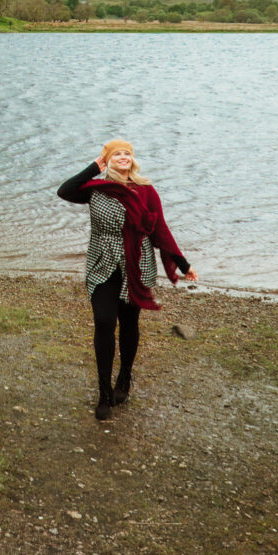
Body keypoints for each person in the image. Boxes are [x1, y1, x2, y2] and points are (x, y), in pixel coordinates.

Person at [58, 139, 198, 420]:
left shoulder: (146, 191)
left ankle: (124, 377)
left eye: (127, 154)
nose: (123, 157)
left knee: (129, 323)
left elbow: (160, 230)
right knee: (104, 322)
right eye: (116, 154)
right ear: (107, 162)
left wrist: (182, 264)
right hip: (102, 263)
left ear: (133, 161)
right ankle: (103, 393)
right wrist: (93, 168)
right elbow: (65, 191)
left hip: (137, 264)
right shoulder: (95, 189)